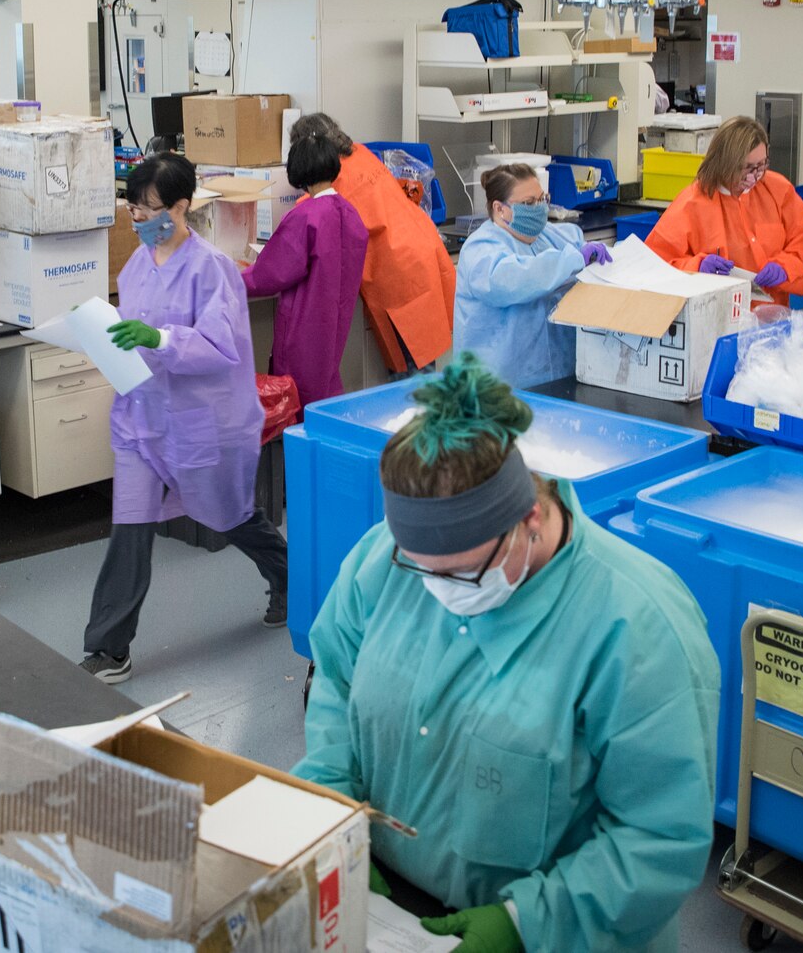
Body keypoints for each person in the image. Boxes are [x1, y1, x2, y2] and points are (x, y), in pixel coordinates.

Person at [295, 357, 720, 952]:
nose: (438, 592)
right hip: (393, 908)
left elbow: (658, 836)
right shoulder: (388, 559)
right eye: (421, 569)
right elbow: (336, 680)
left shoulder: (637, 628)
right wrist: (334, 820)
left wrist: (527, 923)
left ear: (530, 517)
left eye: (462, 575)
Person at [79, 152, 289, 685]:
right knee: (130, 526)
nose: (141, 220)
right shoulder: (134, 266)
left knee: (230, 515)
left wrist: (161, 339)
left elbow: (222, 347)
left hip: (202, 422)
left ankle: (289, 577)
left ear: (181, 206)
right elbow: (129, 334)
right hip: (142, 420)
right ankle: (108, 646)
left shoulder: (212, 269)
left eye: (150, 210)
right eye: (132, 210)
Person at [288, 113, 456, 372]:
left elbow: (311, 216)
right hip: (421, 246)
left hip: (399, 267)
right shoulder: (361, 153)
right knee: (423, 361)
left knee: (412, 373)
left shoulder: (334, 180)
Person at [242, 134, 369, 413]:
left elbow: (270, 273)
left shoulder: (305, 217)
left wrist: (232, 278)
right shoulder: (351, 214)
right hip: (335, 322)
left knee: (297, 398)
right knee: (326, 392)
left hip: (304, 324)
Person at [453, 163, 610, 388]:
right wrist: (573, 260)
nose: (539, 208)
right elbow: (516, 279)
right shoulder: (481, 249)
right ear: (500, 209)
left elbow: (577, 249)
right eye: (528, 203)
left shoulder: (548, 236)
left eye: (542, 199)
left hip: (556, 376)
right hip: (495, 387)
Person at [645, 115, 803, 305]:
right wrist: (697, 266)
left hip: (772, 318)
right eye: (748, 168)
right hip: (715, 318)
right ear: (726, 164)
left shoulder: (777, 189)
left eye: (762, 165)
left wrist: (785, 267)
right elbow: (655, 265)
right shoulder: (691, 204)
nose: (757, 176)